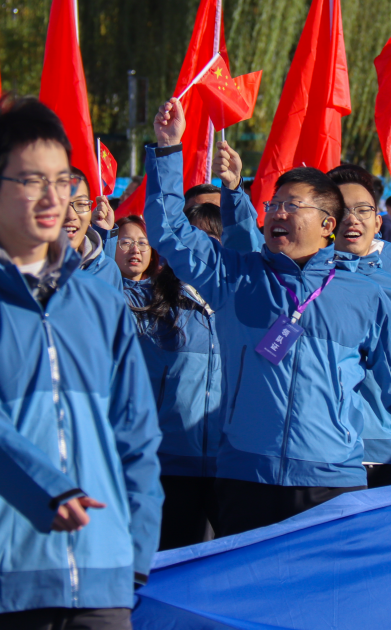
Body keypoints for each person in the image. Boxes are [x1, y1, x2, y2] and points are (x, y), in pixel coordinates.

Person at [0, 96, 162, 630]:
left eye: (62, 181)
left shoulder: (100, 303)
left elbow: (136, 433)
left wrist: (134, 546)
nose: (54, 199)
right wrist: (48, 489)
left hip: (100, 580)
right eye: (31, 181)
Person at [147, 97, 391, 535]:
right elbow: (169, 229)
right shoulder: (236, 276)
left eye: (293, 205)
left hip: (331, 482)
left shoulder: (366, 295)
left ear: (327, 225)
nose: (278, 213)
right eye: (274, 205)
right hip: (246, 477)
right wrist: (168, 149)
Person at [214, 150, 391, 487]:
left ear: (377, 221)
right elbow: (245, 248)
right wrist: (234, 189)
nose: (351, 219)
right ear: (327, 221)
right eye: (343, 210)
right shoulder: (285, 275)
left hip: (382, 444)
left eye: (362, 210)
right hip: (314, 456)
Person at [115, 213, 221, 550]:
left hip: (228, 467)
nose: (202, 248)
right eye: (193, 238)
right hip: (168, 462)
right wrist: (103, 236)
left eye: (212, 239)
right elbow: (105, 289)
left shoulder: (237, 304)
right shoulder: (148, 298)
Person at [62, 176, 122, 290]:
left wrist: (104, 232)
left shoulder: (108, 269)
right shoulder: (29, 269)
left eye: (81, 204)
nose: (71, 215)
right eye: (61, 203)